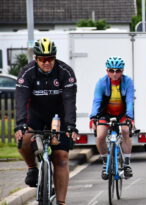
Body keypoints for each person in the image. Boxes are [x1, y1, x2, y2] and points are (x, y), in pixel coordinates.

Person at [14, 37, 79, 205]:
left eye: (50, 58)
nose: (46, 62)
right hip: (35, 116)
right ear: (36, 59)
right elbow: (21, 99)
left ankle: (61, 202)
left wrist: (71, 126)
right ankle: (32, 169)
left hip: (59, 116)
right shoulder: (27, 72)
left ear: (55, 57)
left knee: (61, 157)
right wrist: (20, 124)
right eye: (42, 59)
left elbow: (69, 100)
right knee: (23, 140)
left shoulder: (65, 72)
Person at [90, 56, 134, 180]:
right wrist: (93, 117)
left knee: (125, 131)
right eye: (111, 70)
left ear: (122, 71)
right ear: (107, 71)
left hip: (122, 113)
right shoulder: (101, 83)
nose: (115, 74)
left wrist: (130, 117)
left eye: (118, 71)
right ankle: (105, 163)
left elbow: (130, 101)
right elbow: (97, 101)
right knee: (100, 136)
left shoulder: (128, 82)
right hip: (105, 113)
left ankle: (126, 164)